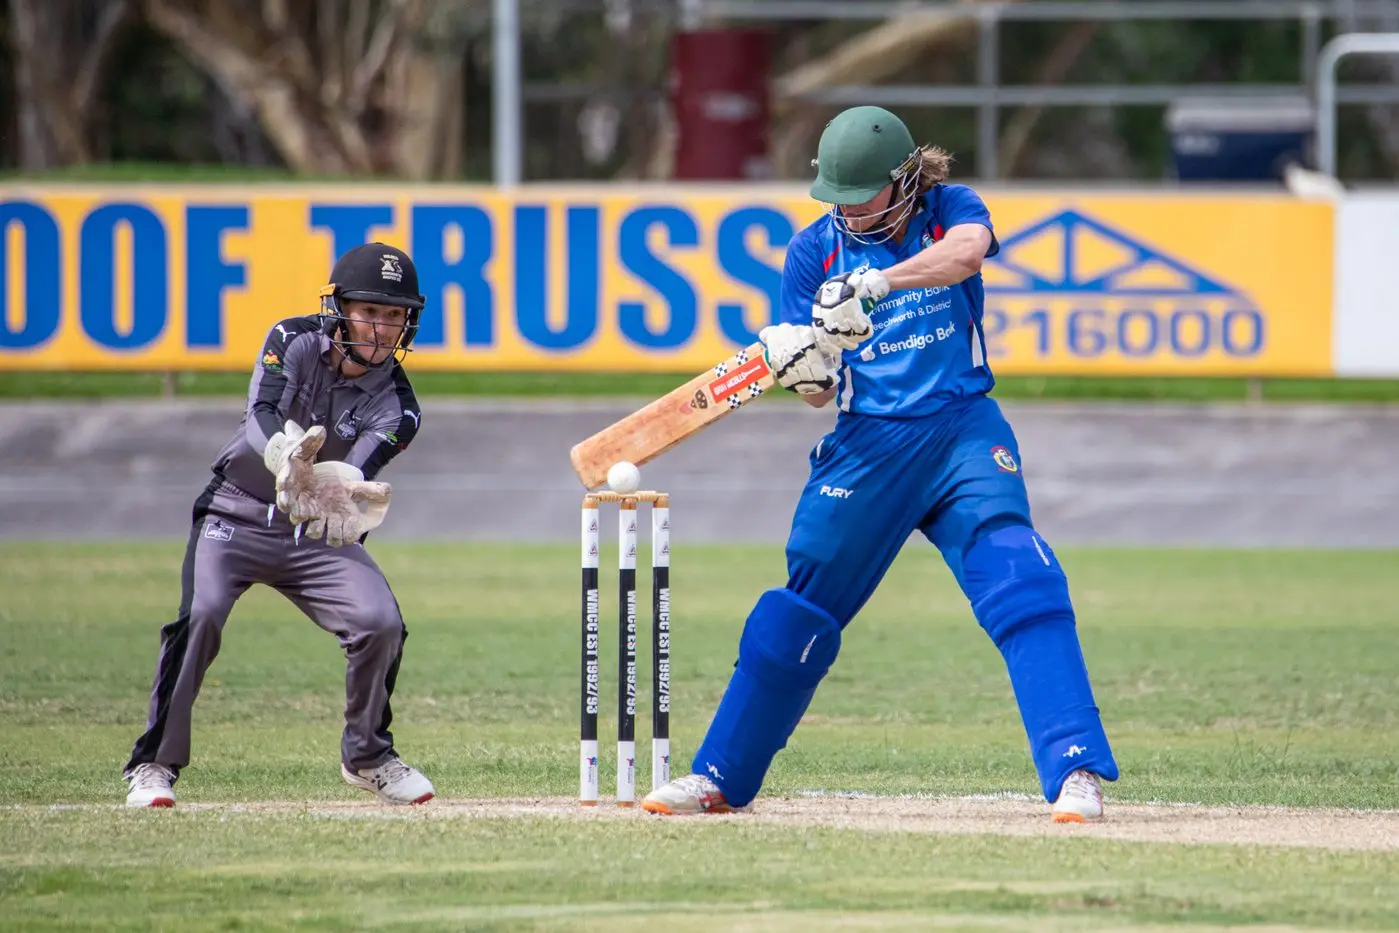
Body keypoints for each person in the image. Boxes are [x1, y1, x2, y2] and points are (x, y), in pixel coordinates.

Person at [642, 106, 1118, 822]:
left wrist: (878, 285)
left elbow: (966, 252)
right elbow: (817, 393)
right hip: (867, 444)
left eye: (861, 194)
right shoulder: (811, 252)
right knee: (796, 609)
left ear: (903, 180)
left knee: (1020, 575)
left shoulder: (947, 207)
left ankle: (1075, 769)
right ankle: (718, 775)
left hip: (960, 428)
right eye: (835, 195)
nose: (847, 210)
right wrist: (804, 362)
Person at [122, 242, 436, 808]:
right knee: (203, 615)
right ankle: (153, 764)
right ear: (339, 307)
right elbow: (261, 416)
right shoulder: (292, 339)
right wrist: (285, 456)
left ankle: (366, 756)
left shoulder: (401, 406)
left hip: (311, 530)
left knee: (380, 621)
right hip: (235, 511)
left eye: (394, 316)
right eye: (370, 312)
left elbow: (356, 471)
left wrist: (339, 492)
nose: (382, 329)